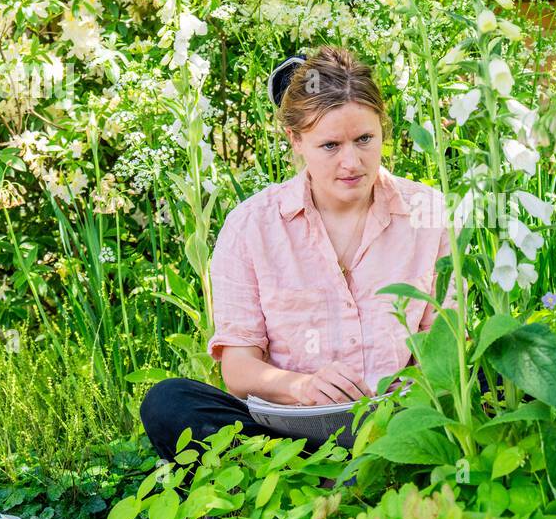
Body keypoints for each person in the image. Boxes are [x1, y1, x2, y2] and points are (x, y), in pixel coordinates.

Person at [140, 46, 456, 465]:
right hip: (287, 435)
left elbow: (450, 343)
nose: (352, 162)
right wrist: (301, 387)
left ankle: (366, 473)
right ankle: (310, 478)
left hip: (401, 422)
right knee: (169, 403)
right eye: (330, 145)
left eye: (365, 139)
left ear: (383, 128)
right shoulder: (251, 225)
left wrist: (410, 402)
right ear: (296, 140)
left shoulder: (428, 212)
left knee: (503, 366)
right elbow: (238, 370)